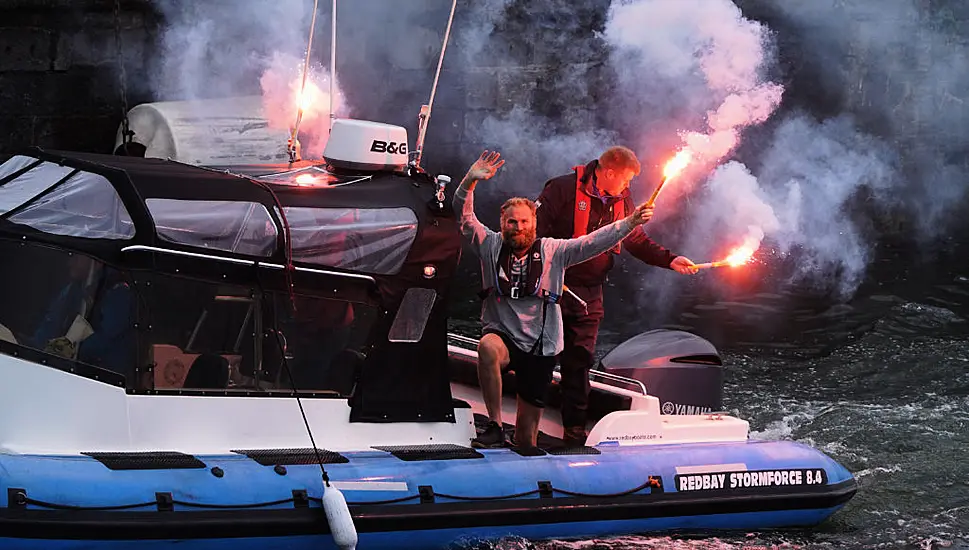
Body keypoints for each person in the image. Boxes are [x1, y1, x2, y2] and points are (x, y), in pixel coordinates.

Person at [453, 150, 655, 449]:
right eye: (511, 222)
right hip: (504, 338)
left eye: (523, 222)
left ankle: (526, 445)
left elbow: (593, 242)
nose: (517, 228)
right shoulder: (488, 244)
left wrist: (629, 222)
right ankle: (495, 424)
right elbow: (463, 215)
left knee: (526, 440)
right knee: (487, 347)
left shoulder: (554, 251)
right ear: (502, 222)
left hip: (540, 346)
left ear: (534, 223)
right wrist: (469, 181)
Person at [535, 145, 698, 446]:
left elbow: (633, 238)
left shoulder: (622, 200)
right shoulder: (560, 190)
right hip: (554, 288)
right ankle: (528, 428)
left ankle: (574, 433)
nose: (628, 186)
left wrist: (670, 259)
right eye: (626, 180)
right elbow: (535, 236)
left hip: (590, 293)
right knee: (542, 357)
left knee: (579, 361)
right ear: (609, 172)